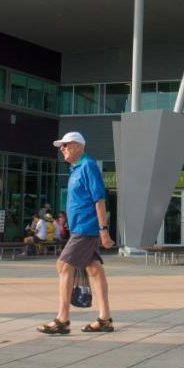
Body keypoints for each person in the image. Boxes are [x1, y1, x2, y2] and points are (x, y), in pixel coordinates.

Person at [39, 132, 115, 335]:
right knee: (94, 270)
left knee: (63, 265)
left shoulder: (87, 166)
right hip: (80, 228)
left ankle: (62, 320)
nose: (61, 149)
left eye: (65, 145)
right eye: (61, 147)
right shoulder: (75, 170)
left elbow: (99, 200)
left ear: (78, 146)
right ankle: (105, 319)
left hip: (86, 228)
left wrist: (103, 230)